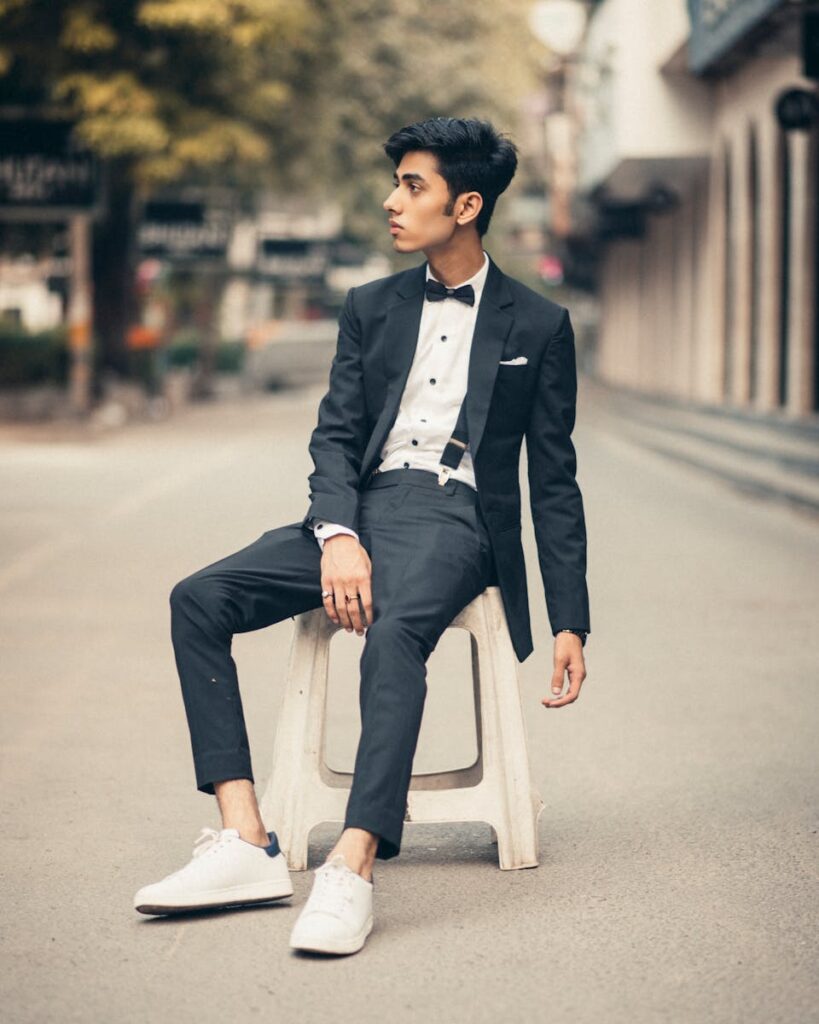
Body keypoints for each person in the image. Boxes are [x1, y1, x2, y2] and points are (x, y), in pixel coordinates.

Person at [133, 116, 590, 955]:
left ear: (466, 205)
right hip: (359, 503)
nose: (391, 201)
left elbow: (552, 480)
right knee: (199, 599)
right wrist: (337, 532)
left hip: (456, 515)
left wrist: (570, 620)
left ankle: (353, 864)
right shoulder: (369, 308)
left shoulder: (537, 325)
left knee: (394, 637)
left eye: (411, 187)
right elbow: (336, 437)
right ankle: (246, 839)